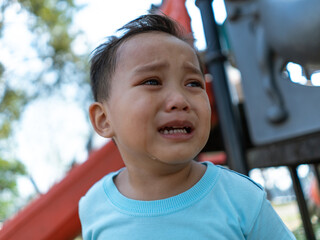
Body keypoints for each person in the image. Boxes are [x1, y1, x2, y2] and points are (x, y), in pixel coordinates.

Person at [79, 14, 295, 239]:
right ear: (104, 119)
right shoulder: (94, 206)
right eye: (152, 82)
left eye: (193, 83)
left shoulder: (241, 198)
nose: (180, 100)